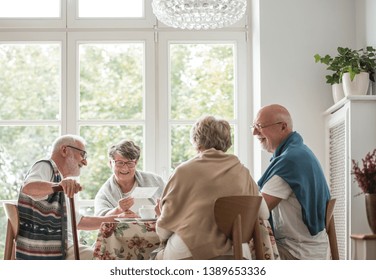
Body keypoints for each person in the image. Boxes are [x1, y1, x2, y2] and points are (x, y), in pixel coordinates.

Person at [155, 115, 269, 260]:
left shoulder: (184, 171)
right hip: (237, 252)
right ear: (227, 141)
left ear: (197, 140)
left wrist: (160, 219)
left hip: (188, 251)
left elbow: (164, 229)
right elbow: (264, 214)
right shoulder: (243, 171)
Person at [16, 134, 122, 260]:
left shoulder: (58, 180)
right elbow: (29, 187)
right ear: (65, 150)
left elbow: (81, 222)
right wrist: (59, 185)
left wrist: (119, 218)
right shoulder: (45, 166)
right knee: (110, 258)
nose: (85, 162)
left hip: (63, 247)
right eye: (83, 154)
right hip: (53, 249)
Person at [252, 104, 330, 260]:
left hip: (297, 252)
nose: (254, 132)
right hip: (311, 247)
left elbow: (257, 210)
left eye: (260, 126)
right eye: (253, 127)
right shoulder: (299, 152)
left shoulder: (290, 161)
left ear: (283, 127)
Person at [94, 140, 165, 217]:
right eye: (120, 163)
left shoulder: (156, 181)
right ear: (111, 163)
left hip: (155, 228)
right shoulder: (105, 193)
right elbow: (100, 219)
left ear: (136, 163)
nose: (125, 168)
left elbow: (174, 205)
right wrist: (118, 210)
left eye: (130, 163)